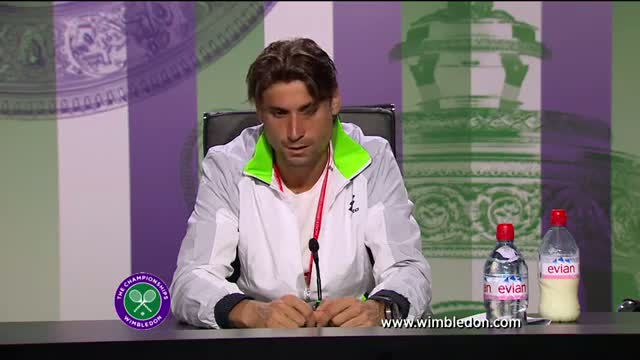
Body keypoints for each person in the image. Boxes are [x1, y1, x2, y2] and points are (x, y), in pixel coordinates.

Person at [169, 37, 432, 329]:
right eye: (279, 114)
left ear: (334, 102)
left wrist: (380, 309)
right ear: (260, 112)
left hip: (353, 341)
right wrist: (251, 312)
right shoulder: (228, 166)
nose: (294, 132)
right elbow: (190, 281)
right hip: (262, 342)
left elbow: (408, 269)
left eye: (308, 111)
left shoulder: (373, 158)